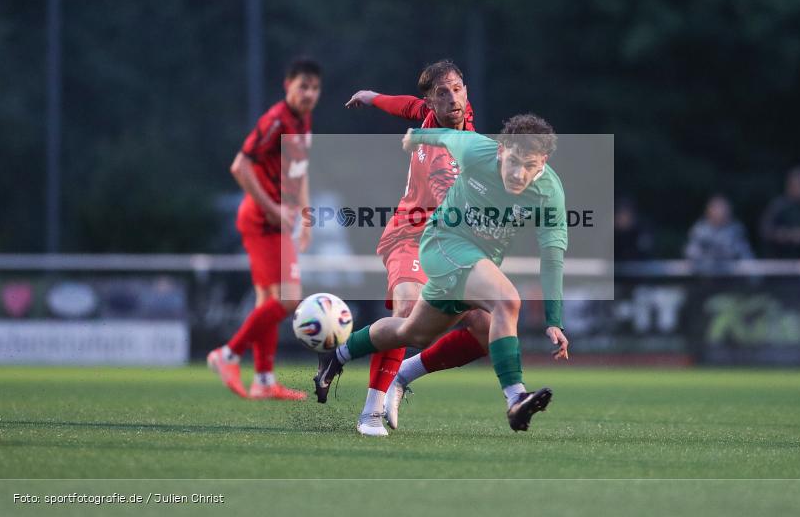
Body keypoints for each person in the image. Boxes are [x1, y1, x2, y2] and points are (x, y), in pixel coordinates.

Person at [315, 114, 570, 432]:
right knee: (507, 301)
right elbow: (445, 135)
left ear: (542, 161)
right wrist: (414, 136)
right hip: (443, 242)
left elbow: (552, 257)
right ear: (502, 150)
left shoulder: (550, 194)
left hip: (478, 259)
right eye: (513, 161)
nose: (518, 173)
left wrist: (554, 319)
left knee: (413, 332)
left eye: (529, 165)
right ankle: (515, 398)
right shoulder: (477, 150)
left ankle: (337, 354)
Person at [343, 60, 491, 436]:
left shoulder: (452, 113)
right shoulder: (433, 147)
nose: (453, 98)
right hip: (412, 235)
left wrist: (371, 97)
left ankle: (404, 376)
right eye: (443, 93)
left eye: (458, 88)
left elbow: (403, 104)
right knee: (408, 311)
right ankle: (371, 410)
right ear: (432, 101)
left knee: (489, 329)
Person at [206, 57, 321, 400]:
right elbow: (240, 166)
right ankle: (227, 354)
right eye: (303, 86)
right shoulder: (275, 120)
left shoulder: (303, 121)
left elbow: (299, 171)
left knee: (268, 301)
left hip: (276, 220)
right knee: (288, 299)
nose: (310, 93)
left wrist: (305, 216)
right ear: (287, 85)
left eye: (315, 88)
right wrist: (272, 208)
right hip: (261, 220)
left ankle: (263, 381)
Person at [683, 195, 754, 270]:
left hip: (731, 274)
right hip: (705, 274)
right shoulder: (700, 230)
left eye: (723, 208)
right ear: (709, 210)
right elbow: (691, 252)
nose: (721, 212)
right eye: (717, 208)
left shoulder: (736, 230)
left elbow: (745, 254)